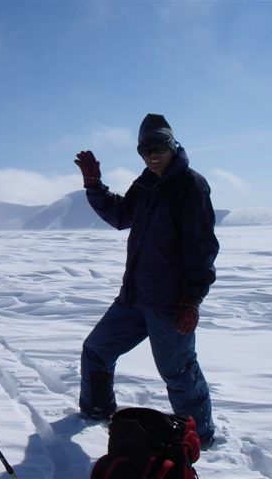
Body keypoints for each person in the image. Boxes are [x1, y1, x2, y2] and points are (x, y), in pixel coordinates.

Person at [73, 113, 219, 448]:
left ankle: (200, 439)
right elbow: (121, 215)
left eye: (159, 147)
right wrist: (94, 187)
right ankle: (96, 412)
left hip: (169, 303)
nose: (153, 155)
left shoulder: (190, 186)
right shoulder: (145, 185)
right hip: (134, 297)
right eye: (145, 149)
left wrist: (191, 300)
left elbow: (202, 248)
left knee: (178, 371)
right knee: (96, 350)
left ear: (172, 144)